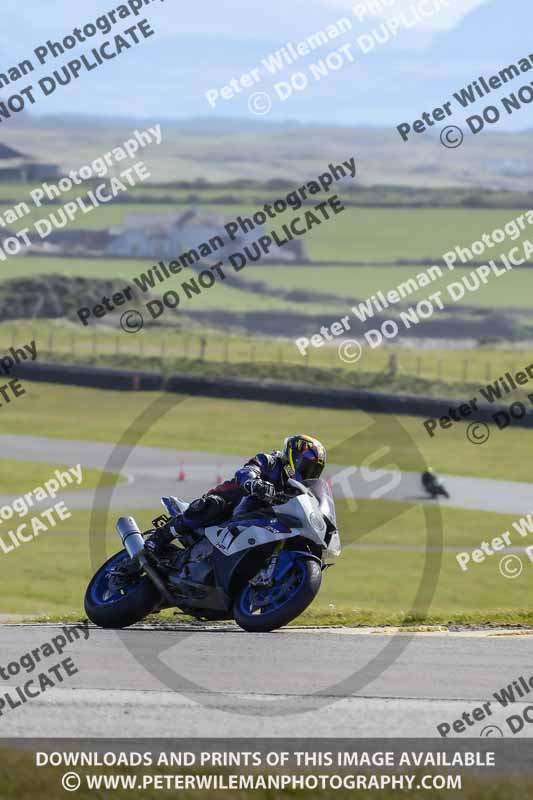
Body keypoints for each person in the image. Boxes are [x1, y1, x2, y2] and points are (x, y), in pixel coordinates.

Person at [146, 434, 327, 554]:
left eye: (313, 469)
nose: (308, 472)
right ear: (292, 457)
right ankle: (159, 537)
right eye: (306, 465)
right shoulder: (270, 461)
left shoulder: (296, 488)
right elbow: (248, 470)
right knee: (213, 505)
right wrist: (253, 482)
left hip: (262, 522)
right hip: (231, 505)